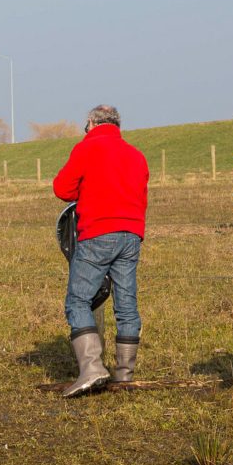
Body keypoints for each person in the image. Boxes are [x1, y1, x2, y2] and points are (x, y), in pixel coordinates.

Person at [52, 105, 149, 397]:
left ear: (91, 123)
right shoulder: (136, 154)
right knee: (127, 304)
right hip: (132, 234)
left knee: (78, 300)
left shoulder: (87, 148)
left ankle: (92, 368)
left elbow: (62, 188)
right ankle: (124, 373)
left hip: (98, 233)